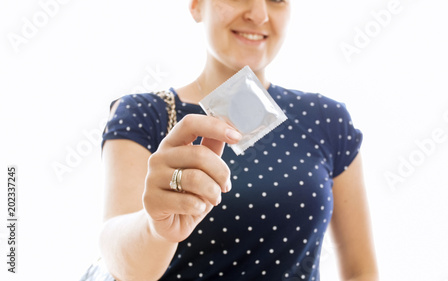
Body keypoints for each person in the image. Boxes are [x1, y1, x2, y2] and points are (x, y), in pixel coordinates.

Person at [99, 0, 378, 280]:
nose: (259, 15)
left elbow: (361, 272)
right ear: (196, 6)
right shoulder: (144, 114)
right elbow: (120, 259)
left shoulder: (325, 119)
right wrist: (154, 228)